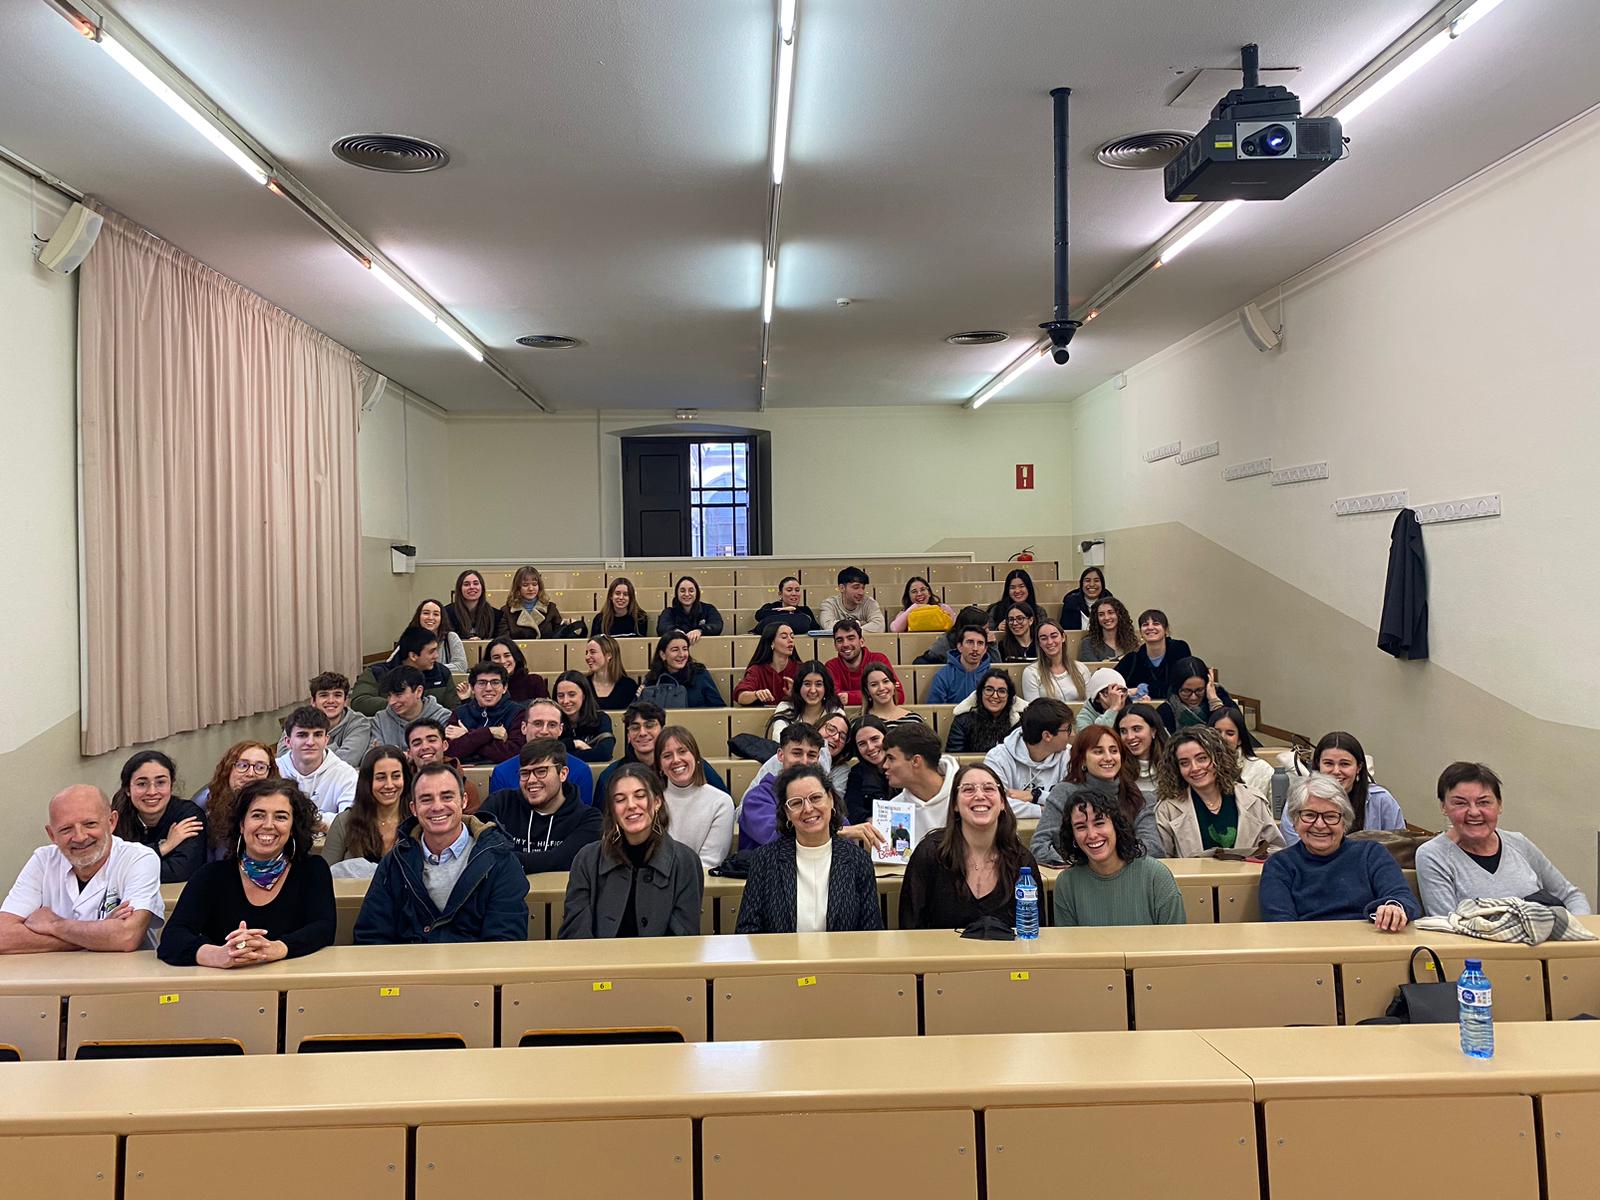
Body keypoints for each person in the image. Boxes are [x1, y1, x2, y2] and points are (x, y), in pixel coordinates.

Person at [158, 779, 337, 966]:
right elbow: (173, 938)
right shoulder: (211, 876)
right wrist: (219, 955)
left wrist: (278, 948)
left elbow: (323, 929)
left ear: (293, 827)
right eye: (258, 815)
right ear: (242, 824)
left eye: (281, 817)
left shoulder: (312, 870)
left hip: (292, 980)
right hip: (225, 980)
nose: (268, 825)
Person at [353, 763, 530, 944]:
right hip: (408, 961)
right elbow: (371, 935)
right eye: (426, 799)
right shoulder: (395, 862)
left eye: (447, 797)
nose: (437, 807)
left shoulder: (499, 860)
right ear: (414, 809)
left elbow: (505, 941)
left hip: (477, 962)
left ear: (464, 800)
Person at [0, 785, 164, 953]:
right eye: (66, 829)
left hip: (123, 969)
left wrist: (54, 924)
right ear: (52, 835)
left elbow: (127, 936)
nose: (79, 837)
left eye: (90, 824)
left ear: (112, 822)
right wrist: (102, 933)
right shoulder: (43, 860)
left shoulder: (138, 858)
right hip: (54, 969)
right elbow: (2, 936)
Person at [1415, 761, 1591, 917]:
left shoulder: (1519, 843)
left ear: (1499, 805)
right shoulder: (1433, 855)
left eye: (1484, 802)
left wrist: (1577, 930)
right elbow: (1448, 925)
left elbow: (1571, 896)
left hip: (1547, 940)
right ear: (1443, 807)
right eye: (1460, 803)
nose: (1474, 812)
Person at [559, 764, 705, 939]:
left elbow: (684, 937)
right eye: (620, 799)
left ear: (657, 802)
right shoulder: (587, 859)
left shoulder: (685, 861)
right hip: (597, 956)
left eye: (640, 796)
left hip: (664, 957)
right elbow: (575, 934)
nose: (631, 805)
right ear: (612, 810)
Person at [736, 765, 883, 934]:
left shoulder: (858, 860)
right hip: (782, 952)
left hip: (843, 951)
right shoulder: (765, 860)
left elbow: (871, 932)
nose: (808, 809)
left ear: (831, 799)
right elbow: (747, 931)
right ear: (787, 812)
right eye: (796, 803)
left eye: (815, 798)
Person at [1261, 774, 1421, 927]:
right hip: (1305, 943)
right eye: (1309, 815)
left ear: (1345, 823)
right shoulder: (1279, 865)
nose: (1320, 825)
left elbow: (1405, 899)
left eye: (1330, 816)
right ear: (1295, 821)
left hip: (1368, 942)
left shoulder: (1371, 854)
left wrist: (1394, 908)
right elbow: (1281, 924)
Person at [899, 763, 1042, 930]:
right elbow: (910, 928)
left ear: (1003, 802)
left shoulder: (1022, 861)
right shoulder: (929, 854)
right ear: (955, 804)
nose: (980, 796)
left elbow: (1036, 932)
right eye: (968, 789)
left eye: (989, 788)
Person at [1052, 787, 1185, 927]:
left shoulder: (1156, 876)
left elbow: (1176, 937)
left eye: (1099, 823)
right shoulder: (1066, 884)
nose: (1092, 835)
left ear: (1116, 826)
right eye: (1080, 827)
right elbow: (1068, 940)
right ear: (1072, 835)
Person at [1033, 724, 1159, 866]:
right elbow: (1040, 846)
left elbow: (1153, 847)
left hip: (1128, 874)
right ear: (1082, 759)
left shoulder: (1138, 797)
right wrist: (1082, 867)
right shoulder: (1064, 792)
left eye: (1114, 751)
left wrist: (1110, 865)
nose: (1108, 758)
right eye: (1098, 752)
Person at [476, 738, 604, 874]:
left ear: (563, 774)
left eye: (541, 771)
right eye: (525, 773)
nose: (531, 780)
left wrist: (500, 860)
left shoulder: (589, 819)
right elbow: (479, 850)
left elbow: (561, 860)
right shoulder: (500, 803)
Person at [1154, 727, 1284, 858]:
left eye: (1202, 758)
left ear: (1219, 758)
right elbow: (1162, 861)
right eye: (1184, 763)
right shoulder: (1168, 809)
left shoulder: (1253, 799)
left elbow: (1276, 849)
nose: (1194, 768)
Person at [1279, 731, 1406, 846]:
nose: (1336, 771)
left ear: (1359, 767)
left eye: (1344, 764)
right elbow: (1295, 850)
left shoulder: (1382, 800)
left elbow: (1399, 847)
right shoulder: (1298, 799)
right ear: (1318, 765)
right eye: (1328, 763)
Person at [596, 701, 729, 798]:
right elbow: (603, 822)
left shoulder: (690, 765)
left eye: (649, 725)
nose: (642, 733)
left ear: (662, 730)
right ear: (628, 736)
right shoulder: (610, 775)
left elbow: (724, 802)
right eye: (635, 728)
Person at [110, 751, 207, 883]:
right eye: (142, 784)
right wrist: (164, 847)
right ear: (128, 789)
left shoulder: (188, 815)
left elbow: (180, 871)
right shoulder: (117, 816)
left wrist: (130, 867)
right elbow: (110, 866)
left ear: (171, 786)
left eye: (160, 782)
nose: (152, 792)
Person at [487, 700, 595, 807]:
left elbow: (582, 815)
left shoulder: (580, 771)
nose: (544, 731)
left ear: (560, 729)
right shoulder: (502, 773)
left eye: (552, 725)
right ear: (524, 727)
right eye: (538, 724)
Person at [657, 726, 735, 869]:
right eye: (667, 756)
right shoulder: (651, 801)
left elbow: (709, 862)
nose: (676, 760)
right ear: (660, 766)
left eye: (682, 751)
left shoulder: (721, 802)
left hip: (701, 880)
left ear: (696, 757)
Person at [983, 698, 1075, 818]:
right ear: (1047, 736)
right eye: (1068, 730)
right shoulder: (997, 758)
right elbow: (993, 802)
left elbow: (1079, 800)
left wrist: (1036, 796)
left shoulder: (1069, 755)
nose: (1073, 734)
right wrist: (1044, 810)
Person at [739, 723, 826, 849]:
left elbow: (844, 832)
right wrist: (834, 832)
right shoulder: (757, 799)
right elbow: (779, 840)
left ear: (818, 759)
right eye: (797, 753)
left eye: (811, 755)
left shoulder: (825, 795)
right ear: (780, 755)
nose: (804, 761)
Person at [323, 746, 411, 867]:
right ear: (367, 781)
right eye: (381, 778)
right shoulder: (344, 822)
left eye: (396, 776)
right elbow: (324, 873)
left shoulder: (416, 822)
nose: (389, 785)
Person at [195, 741, 278, 863]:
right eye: (242, 766)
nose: (250, 774)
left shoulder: (281, 803)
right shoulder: (206, 803)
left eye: (260, 768)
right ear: (228, 769)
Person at [276, 706, 360, 822]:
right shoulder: (275, 769)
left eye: (318, 735)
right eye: (302, 735)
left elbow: (349, 820)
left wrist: (303, 819)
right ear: (288, 741)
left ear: (326, 740)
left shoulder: (346, 774)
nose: (310, 742)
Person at [349, 625, 458, 715]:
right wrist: (400, 705)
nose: (436, 656)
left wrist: (419, 709)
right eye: (431, 652)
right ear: (413, 655)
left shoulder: (442, 673)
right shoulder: (376, 673)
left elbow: (454, 708)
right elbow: (359, 702)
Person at [883, 723, 959, 847]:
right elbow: (896, 857)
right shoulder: (893, 809)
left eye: (891, 758)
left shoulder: (966, 796)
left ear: (916, 761)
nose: (885, 766)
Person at [275, 671, 372, 767]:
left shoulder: (359, 723)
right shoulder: (297, 719)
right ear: (313, 701)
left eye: (337, 695)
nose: (331, 701)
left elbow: (347, 761)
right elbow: (283, 756)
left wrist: (306, 752)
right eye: (324, 695)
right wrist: (334, 748)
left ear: (345, 701)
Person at [444, 662, 528, 765]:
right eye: (482, 683)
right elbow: (449, 751)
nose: (488, 688)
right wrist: (489, 732)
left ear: (504, 688)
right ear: (472, 688)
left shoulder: (518, 713)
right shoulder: (459, 713)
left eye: (495, 682)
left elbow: (513, 753)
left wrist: (467, 735)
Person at [405, 717, 482, 811]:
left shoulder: (466, 788)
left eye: (432, 740)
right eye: (417, 743)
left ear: (445, 745)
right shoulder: (402, 789)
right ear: (409, 753)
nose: (425, 747)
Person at [1115, 609, 1193, 702]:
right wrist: (1132, 696)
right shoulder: (1132, 659)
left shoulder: (1179, 649)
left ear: (1166, 630)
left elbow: (1181, 686)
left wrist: (1142, 689)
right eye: (1145, 625)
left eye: (1156, 623)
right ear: (1141, 632)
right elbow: (1112, 683)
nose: (1150, 627)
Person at [372, 665, 455, 748]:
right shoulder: (381, 719)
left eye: (398, 695)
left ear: (419, 691)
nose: (391, 702)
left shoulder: (444, 717)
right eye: (389, 695)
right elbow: (375, 753)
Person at [824, 619, 901, 707]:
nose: (845, 644)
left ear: (861, 642)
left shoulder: (879, 660)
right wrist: (875, 694)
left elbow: (898, 695)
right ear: (835, 646)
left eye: (851, 638)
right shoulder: (831, 666)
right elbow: (834, 698)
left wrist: (850, 697)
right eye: (839, 640)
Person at [640, 631, 726, 708]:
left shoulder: (699, 674)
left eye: (685, 649)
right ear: (663, 655)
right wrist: (639, 696)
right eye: (675, 650)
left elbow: (719, 707)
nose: (681, 654)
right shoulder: (653, 677)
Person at [943, 669, 1019, 754]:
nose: (995, 696)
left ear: (1009, 696)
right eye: (989, 690)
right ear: (980, 692)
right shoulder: (962, 721)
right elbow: (954, 756)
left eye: (1002, 691)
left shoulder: (1017, 722)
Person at [768, 661, 844, 738]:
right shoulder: (786, 707)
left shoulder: (835, 712)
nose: (813, 690)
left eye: (818, 684)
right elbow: (778, 738)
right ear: (799, 686)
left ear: (826, 687)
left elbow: (838, 742)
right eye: (807, 684)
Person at [552, 671, 616, 762]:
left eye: (572, 695)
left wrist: (564, 751)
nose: (565, 701)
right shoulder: (552, 722)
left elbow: (605, 753)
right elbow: (547, 752)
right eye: (560, 696)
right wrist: (576, 743)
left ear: (584, 695)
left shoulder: (601, 719)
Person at [1114, 704, 1168, 808]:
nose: (1130, 737)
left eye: (1136, 729)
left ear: (1153, 730)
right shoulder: (1115, 771)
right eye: (1123, 731)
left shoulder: (1173, 766)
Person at [1209, 707, 1273, 796]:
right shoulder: (1199, 767)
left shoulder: (1262, 769)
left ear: (1239, 739)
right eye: (1217, 732)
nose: (1222, 738)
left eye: (1230, 733)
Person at [1162, 656, 1235, 732]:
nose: (1193, 697)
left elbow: (1234, 730)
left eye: (1199, 690)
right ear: (1176, 689)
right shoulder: (1166, 710)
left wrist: (1214, 701)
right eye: (1186, 691)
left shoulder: (1223, 701)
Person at [734, 624, 800, 706]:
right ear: (772, 643)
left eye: (792, 637)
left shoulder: (800, 669)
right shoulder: (757, 670)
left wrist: (795, 695)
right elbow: (740, 696)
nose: (790, 640)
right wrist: (756, 694)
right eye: (784, 637)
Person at [926, 624, 993, 705]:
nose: (975, 648)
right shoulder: (943, 676)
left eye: (980, 643)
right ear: (960, 647)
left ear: (985, 649)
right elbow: (935, 708)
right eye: (970, 642)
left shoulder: (992, 676)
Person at [844, 715, 892, 825]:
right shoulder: (856, 774)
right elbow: (853, 810)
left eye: (875, 739)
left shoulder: (904, 766)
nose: (870, 747)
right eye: (862, 744)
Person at [1023, 619, 1086, 701]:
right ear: (1039, 643)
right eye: (1044, 638)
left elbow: (1090, 704)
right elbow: (1034, 707)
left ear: (1063, 637)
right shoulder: (1031, 672)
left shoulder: (1081, 668)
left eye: (1054, 636)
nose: (1049, 642)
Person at [495, 565, 563, 639]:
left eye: (534, 584)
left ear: (539, 586)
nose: (531, 588)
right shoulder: (506, 611)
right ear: (518, 587)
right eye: (525, 585)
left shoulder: (551, 608)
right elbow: (504, 640)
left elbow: (560, 636)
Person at [911, 605, 989, 665]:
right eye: (984, 629)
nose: (988, 631)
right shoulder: (946, 642)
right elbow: (921, 662)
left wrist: (991, 644)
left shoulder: (985, 642)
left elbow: (993, 666)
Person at [480, 637, 549, 704]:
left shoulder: (534, 681)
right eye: (496, 657)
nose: (502, 661)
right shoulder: (485, 686)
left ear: (515, 657)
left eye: (507, 655)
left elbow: (548, 709)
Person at [816, 566, 885, 634]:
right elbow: (828, 627)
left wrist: (848, 629)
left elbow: (879, 626)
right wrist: (860, 624)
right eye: (856, 587)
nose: (861, 593)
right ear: (842, 588)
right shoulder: (829, 604)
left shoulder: (870, 603)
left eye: (863, 588)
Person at [656, 575, 725, 642]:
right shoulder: (669, 612)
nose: (686, 594)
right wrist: (677, 632)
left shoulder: (709, 609)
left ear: (696, 593)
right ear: (677, 593)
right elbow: (662, 628)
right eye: (682, 591)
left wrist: (700, 630)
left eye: (691, 591)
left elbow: (717, 625)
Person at [411, 597, 469, 673]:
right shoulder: (410, 637)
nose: (430, 618)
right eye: (426, 613)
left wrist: (428, 667)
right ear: (419, 616)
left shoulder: (451, 637)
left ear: (442, 618)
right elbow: (395, 665)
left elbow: (461, 667)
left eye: (436, 614)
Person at [859, 662, 922, 729]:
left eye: (886, 681)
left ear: (894, 685)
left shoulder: (914, 719)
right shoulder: (861, 722)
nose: (881, 688)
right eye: (874, 685)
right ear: (867, 690)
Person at [584, 635, 638, 711]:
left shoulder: (628, 686)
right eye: (586, 653)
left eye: (592, 652)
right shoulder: (583, 684)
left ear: (609, 655)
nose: (587, 657)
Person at [1078, 597, 1140, 662]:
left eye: (1110, 613)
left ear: (1119, 615)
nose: (1106, 618)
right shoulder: (1088, 644)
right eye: (1101, 614)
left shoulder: (1133, 642)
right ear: (1096, 618)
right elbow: (1092, 667)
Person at [752, 575, 818, 637]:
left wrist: (794, 611)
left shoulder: (805, 610)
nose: (794, 593)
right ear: (780, 594)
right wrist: (786, 611)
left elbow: (815, 628)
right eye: (789, 590)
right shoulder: (770, 607)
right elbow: (759, 616)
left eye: (797, 590)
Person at [444, 568, 497, 641]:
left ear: (482, 588)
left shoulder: (496, 615)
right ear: (460, 589)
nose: (472, 587)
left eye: (476, 583)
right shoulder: (446, 613)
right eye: (466, 584)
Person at [890, 576, 955, 633]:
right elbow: (895, 629)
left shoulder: (944, 608)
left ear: (929, 593)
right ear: (908, 596)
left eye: (923, 589)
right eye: (914, 591)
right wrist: (912, 608)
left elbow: (955, 629)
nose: (919, 594)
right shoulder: (905, 612)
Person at [1059, 566, 1112, 631]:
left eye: (1096, 580)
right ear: (1081, 584)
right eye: (1087, 580)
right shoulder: (1071, 603)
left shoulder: (1110, 603)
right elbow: (1065, 630)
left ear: (1102, 584)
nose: (1092, 584)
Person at [818, 713, 853, 798]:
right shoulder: (798, 752)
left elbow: (834, 801)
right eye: (831, 730)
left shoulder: (842, 770)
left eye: (843, 737)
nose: (836, 737)